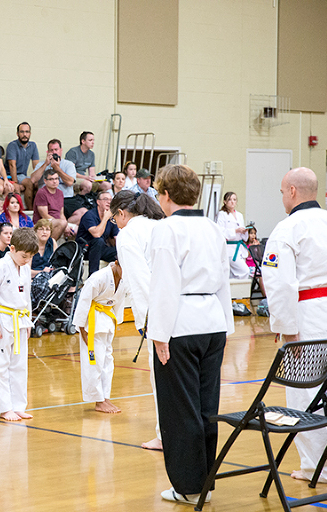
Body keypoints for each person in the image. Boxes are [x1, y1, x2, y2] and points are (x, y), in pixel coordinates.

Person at [262, 166, 327, 484]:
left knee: (307, 395)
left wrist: (287, 327)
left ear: (291, 191)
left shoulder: (288, 228)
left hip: (310, 316)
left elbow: (280, 283)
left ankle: (317, 467)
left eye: (281, 191)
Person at [147, 164, 234, 504]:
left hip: (180, 325)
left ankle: (187, 486)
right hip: (212, 321)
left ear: (166, 195)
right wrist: (226, 325)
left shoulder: (167, 229)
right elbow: (224, 280)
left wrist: (158, 333)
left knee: (179, 409)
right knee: (205, 407)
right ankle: (204, 482)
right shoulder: (212, 227)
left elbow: (164, 285)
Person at [111, 189, 166, 450]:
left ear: (121, 214)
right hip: (184, 309)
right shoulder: (160, 225)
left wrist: (147, 323)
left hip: (158, 312)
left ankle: (165, 436)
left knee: (163, 378)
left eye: (114, 219)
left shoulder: (128, 234)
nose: (116, 224)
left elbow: (141, 282)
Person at [0, 227, 37, 421]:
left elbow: (27, 297)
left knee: (20, 365)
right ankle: (4, 407)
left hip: (21, 320)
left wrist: (29, 321)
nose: (26, 260)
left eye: (30, 257)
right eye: (24, 256)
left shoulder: (24, 268)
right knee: (0, 365)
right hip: (1, 319)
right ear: (12, 248)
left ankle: (18, 405)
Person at [73, 259, 127, 413]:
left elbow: (119, 302)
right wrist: (82, 329)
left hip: (107, 321)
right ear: (117, 263)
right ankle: (98, 400)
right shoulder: (99, 278)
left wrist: (117, 322)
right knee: (94, 362)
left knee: (107, 361)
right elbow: (83, 301)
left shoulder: (124, 280)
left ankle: (105, 398)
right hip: (92, 322)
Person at [76, 190, 119, 275]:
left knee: (120, 250)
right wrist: (105, 218)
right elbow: (96, 234)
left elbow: (116, 237)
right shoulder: (89, 215)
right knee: (98, 241)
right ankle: (93, 275)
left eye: (110, 200)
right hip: (85, 250)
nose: (109, 202)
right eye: (106, 199)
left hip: (100, 249)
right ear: (98, 202)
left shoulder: (111, 217)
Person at [30, 139, 77, 206]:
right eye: (51, 150)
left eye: (56, 149)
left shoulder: (69, 164)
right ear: (48, 152)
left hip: (66, 198)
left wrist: (57, 169)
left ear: (61, 150)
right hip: (46, 199)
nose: (54, 152)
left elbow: (70, 182)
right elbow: (33, 180)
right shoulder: (41, 164)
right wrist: (46, 164)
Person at [216, 191, 250, 279]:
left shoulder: (239, 215)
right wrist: (235, 230)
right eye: (230, 200)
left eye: (234, 200)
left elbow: (243, 235)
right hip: (229, 248)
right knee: (244, 271)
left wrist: (244, 231)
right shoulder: (222, 214)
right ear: (225, 202)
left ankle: (234, 291)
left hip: (239, 248)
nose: (232, 202)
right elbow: (220, 231)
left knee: (232, 274)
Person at [6, 122, 39, 205]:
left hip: (23, 175)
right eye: (22, 132)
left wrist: (37, 180)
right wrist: (15, 183)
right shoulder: (12, 145)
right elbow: (12, 165)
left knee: (40, 183)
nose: (25, 134)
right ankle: (30, 210)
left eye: (27, 132)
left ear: (30, 133)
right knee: (29, 182)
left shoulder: (33, 145)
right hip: (11, 175)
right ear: (17, 134)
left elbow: (36, 165)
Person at [33, 169, 68, 240]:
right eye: (51, 179)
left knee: (74, 229)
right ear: (45, 181)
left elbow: (61, 214)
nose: (54, 181)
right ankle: (50, 245)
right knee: (62, 223)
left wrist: (66, 225)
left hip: (57, 222)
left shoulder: (60, 193)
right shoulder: (42, 192)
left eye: (56, 179)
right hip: (43, 222)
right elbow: (44, 215)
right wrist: (61, 223)